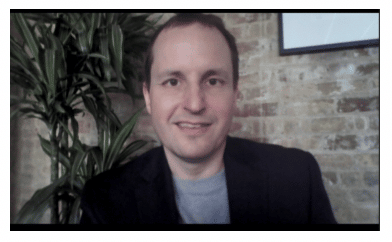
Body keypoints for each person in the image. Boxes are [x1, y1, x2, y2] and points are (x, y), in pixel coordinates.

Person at [80, 13, 337, 224]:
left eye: (213, 81)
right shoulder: (105, 201)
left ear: (235, 92)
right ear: (148, 96)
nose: (194, 104)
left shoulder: (297, 179)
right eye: (172, 81)